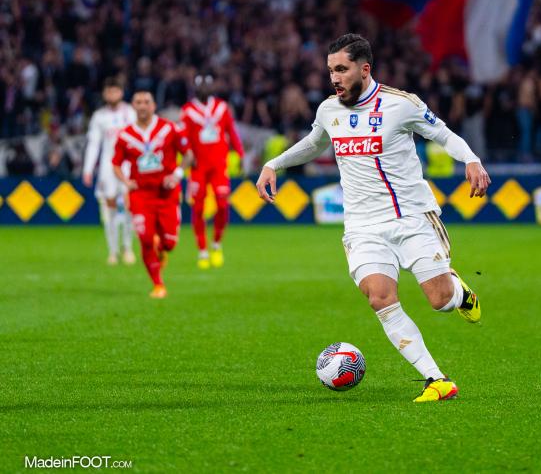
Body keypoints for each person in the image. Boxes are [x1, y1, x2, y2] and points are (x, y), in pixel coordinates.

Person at [256, 34, 491, 402]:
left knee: (439, 300)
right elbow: (314, 143)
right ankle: (437, 380)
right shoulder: (328, 110)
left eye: (342, 69)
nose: (334, 78)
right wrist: (274, 163)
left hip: (411, 217)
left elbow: (442, 133)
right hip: (363, 227)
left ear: (364, 69)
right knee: (380, 298)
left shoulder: (401, 105)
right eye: (331, 70)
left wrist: (472, 160)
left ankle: (458, 292)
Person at [112, 90, 192, 299]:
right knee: (146, 239)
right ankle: (158, 284)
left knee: (169, 243)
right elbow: (116, 164)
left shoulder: (169, 128)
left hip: (167, 194)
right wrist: (125, 181)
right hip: (140, 195)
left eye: (146, 102)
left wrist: (176, 174)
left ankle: (162, 249)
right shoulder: (124, 135)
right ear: (133, 106)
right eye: (138, 102)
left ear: (153, 105)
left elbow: (188, 154)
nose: (142, 106)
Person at [180, 74, 245, 269]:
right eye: (202, 87)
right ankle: (202, 250)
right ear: (195, 89)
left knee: (222, 205)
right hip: (198, 167)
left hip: (219, 165)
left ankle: (216, 243)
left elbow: (231, 131)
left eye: (208, 86)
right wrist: (185, 154)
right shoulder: (188, 111)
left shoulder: (222, 107)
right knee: (198, 208)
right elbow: (184, 138)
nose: (205, 90)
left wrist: (239, 154)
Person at [83, 78, 137, 265]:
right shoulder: (99, 117)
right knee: (110, 208)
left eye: (115, 91)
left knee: (130, 207)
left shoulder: (131, 113)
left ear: (121, 92)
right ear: (105, 94)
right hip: (108, 166)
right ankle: (113, 251)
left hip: (128, 165)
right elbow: (94, 144)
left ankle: (128, 248)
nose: (112, 95)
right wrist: (88, 169)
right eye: (109, 91)